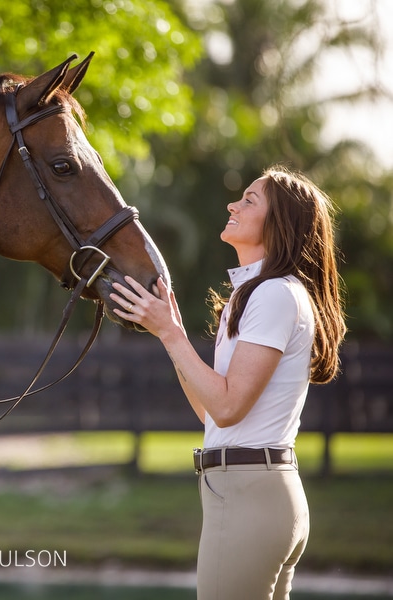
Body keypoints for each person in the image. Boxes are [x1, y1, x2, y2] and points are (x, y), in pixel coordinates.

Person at [110, 165, 346, 600]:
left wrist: (170, 333)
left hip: (248, 498)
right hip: (254, 493)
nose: (233, 204)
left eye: (250, 200)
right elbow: (210, 411)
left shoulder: (274, 294)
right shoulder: (256, 293)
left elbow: (228, 406)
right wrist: (171, 330)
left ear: (279, 226)